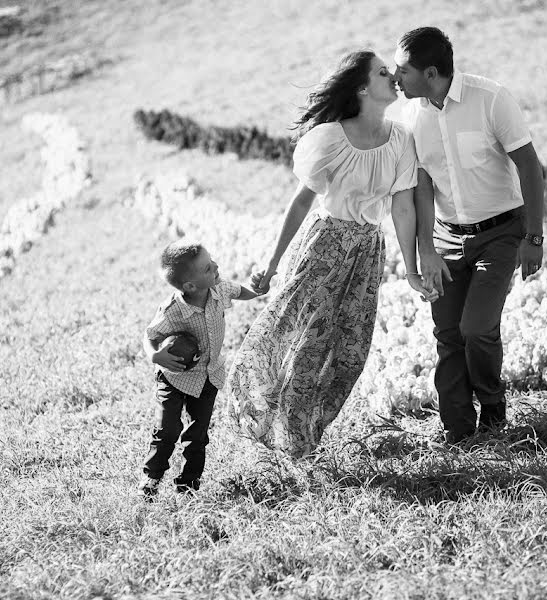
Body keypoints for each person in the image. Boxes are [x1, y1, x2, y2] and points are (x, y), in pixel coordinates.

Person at [227, 49, 434, 458]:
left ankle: (301, 429)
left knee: (351, 352)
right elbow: (302, 202)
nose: (392, 75)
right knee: (304, 341)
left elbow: (403, 206)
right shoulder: (330, 138)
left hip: (368, 250)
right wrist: (271, 265)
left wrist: (411, 269)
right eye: (381, 72)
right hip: (325, 245)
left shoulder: (401, 139)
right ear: (361, 87)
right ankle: (294, 441)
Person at [394, 26, 546, 444]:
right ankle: (457, 430)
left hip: (501, 233)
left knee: (476, 327)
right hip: (446, 237)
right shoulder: (411, 116)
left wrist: (534, 238)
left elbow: (530, 167)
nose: (395, 77)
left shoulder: (491, 98)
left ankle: (493, 411)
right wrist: (427, 249)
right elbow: (421, 186)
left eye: (401, 69)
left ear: (430, 72)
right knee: (447, 332)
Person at [141, 240, 259, 497]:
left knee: (197, 435)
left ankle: (188, 485)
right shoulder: (173, 310)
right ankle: (150, 480)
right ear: (190, 286)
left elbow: (241, 290)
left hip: (208, 376)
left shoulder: (219, 289)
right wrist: (155, 356)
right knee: (167, 431)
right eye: (207, 268)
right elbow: (150, 335)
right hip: (174, 378)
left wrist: (257, 289)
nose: (216, 266)